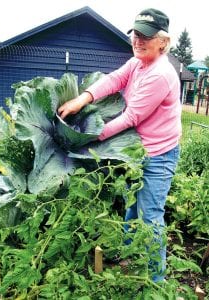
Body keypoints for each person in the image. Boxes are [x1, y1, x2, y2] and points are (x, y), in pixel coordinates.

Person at [58, 8, 181, 282]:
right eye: (135, 34)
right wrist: (84, 98)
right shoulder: (138, 63)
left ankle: (156, 281)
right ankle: (127, 253)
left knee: (150, 217)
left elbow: (132, 116)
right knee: (132, 205)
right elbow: (116, 79)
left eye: (145, 37)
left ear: (163, 42)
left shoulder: (160, 73)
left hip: (159, 155)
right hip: (138, 150)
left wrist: (89, 136)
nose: (137, 41)